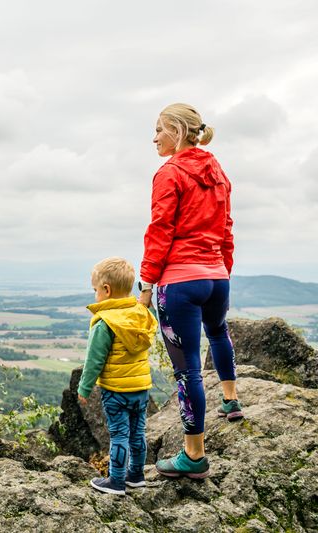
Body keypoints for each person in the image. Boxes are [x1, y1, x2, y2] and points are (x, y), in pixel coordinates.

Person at [137, 103, 243, 480]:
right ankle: (231, 400)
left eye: (159, 130)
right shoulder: (218, 172)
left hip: (180, 283)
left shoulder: (169, 173)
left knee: (188, 372)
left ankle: (193, 456)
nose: (154, 138)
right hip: (216, 277)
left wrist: (146, 283)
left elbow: (160, 230)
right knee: (219, 333)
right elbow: (227, 227)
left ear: (178, 132)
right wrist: (222, 270)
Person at [77, 257, 158, 495]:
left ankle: (116, 481)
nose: (95, 295)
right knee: (138, 432)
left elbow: (94, 360)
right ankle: (136, 475)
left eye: (95, 291)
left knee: (119, 434)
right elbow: (147, 309)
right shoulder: (140, 314)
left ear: (106, 290)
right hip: (141, 388)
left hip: (116, 391)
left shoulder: (105, 323)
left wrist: (84, 388)